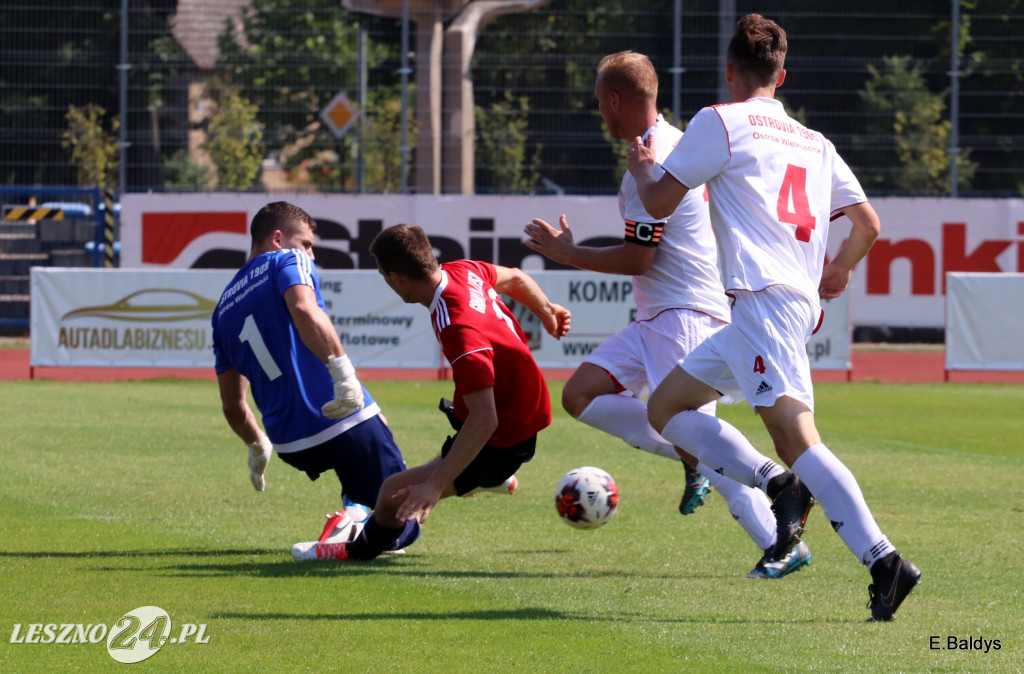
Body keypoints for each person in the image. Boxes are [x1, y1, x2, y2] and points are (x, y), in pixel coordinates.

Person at [629, 14, 920, 620]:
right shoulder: (815, 142)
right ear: (781, 76)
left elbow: (658, 201)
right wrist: (837, 271)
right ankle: (778, 483)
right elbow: (868, 224)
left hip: (764, 302)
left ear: (730, 71)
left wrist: (641, 171)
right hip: (768, 310)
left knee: (797, 436)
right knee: (666, 409)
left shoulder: (719, 120)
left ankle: (885, 561)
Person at [524, 50, 810, 579]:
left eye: (600, 104)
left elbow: (639, 258)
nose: (601, 115)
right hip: (663, 313)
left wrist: (567, 254)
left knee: (701, 442)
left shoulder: (647, 166)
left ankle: (779, 530)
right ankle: (694, 461)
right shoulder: (678, 144)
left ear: (614, 100)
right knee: (580, 394)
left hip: (683, 314)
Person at [292, 223, 572, 561]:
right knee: (461, 415)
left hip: (504, 438)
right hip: (522, 406)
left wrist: (435, 484)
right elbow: (514, 277)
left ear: (395, 278)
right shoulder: (462, 270)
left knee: (392, 493)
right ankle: (482, 477)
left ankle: (354, 552)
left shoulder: (458, 327)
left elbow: (485, 420)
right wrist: (546, 310)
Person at [212, 201, 419, 552]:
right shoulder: (287, 260)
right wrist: (346, 377)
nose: (310, 252)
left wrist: (257, 447)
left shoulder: (221, 310)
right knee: (404, 526)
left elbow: (233, 406)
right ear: (278, 238)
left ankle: (356, 507)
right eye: (306, 243)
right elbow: (305, 310)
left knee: (366, 451)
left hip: (290, 443)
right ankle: (354, 524)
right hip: (339, 419)